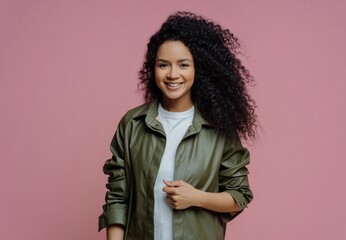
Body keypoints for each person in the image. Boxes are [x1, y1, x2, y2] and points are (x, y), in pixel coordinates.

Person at [98, 11, 257, 240]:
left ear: (198, 69)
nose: (173, 74)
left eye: (183, 65)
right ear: (153, 69)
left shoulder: (219, 130)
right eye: (163, 65)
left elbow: (239, 196)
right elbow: (117, 199)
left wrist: (195, 197)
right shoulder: (132, 124)